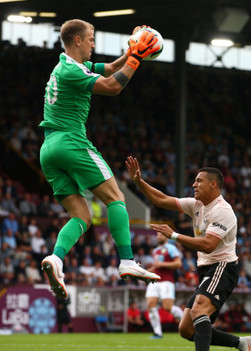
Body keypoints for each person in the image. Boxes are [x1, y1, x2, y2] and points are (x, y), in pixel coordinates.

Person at [38, 19, 162, 299]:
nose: (94, 44)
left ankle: (55, 259)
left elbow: (107, 69)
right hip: (71, 141)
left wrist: (131, 53)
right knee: (115, 198)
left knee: (81, 215)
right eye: (91, 39)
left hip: (48, 148)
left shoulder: (65, 66)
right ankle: (128, 262)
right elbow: (112, 86)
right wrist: (137, 60)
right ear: (78, 40)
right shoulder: (72, 69)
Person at [126, 156, 251, 351]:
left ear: (213, 184)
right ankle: (240, 343)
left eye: (199, 181)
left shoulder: (222, 210)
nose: (194, 184)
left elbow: (208, 245)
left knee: (199, 310)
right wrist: (139, 181)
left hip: (222, 267)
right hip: (206, 270)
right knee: (186, 329)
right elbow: (161, 200)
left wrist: (174, 235)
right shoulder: (196, 205)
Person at [147, 232, 184, 339]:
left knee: (167, 307)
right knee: (150, 305)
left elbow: (178, 264)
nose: (159, 236)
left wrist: (162, 264)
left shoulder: (171, 248)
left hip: (167, 281)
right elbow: (156, 267)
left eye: (161, 234)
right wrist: (144, 273)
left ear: (166, 236)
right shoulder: (155, 250)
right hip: (155, 281)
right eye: (157, 235)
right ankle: (157, 333)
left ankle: (187, 322)